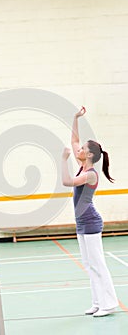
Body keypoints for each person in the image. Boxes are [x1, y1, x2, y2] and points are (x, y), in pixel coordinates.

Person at [61, 106, 118, 317]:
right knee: (88, 264)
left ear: (90, 155)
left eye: (83, 149)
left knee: (98, 264)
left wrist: (62, 159)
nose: (79, 150)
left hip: (92, 222)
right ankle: (97, 302)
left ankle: (109, 304)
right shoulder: (82, 165)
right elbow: (74, 141)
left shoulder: (91, 174)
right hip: (81, 224)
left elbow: (67, 181)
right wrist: (75, 118)